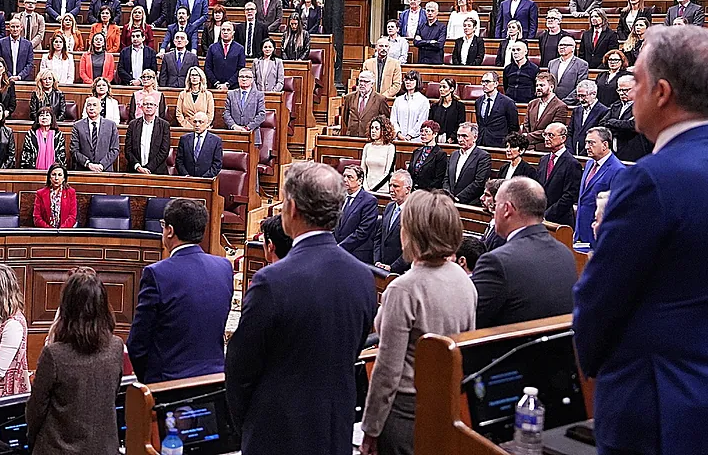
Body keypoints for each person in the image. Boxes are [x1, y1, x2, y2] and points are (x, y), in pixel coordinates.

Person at [574, 25, 708, 455]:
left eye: (638, 83)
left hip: (655, 412)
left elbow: (598, 303)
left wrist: (592, 370)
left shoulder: (649, 180)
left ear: (661, 93)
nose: (631, 95)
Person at [225, 161, 377, 455]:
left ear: (292, 208)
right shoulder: (362, 276)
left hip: (277, 433)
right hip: (335, 428)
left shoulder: (272, 280)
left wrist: (249, 425)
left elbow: (240, 369)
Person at [362, 190, 475, 455]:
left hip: (406, 411)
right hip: (447, 404)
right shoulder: (463, 278)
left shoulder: (404, 289)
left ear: (412, 234)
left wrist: (371, 427)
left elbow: (388, 370)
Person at [127, 197, 234, 382]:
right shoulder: (224, 267)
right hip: (215, 380)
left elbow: (138, 344)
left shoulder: (156, 274)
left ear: (170, 231)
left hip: (169, 385)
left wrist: (152, 382)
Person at [25, 267, 121, 454]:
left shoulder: (53, 355)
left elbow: (36, 410)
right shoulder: (116, 346)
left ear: (66, 307)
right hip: (104, 448)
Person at [471, 176, 576, 327]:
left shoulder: (497, 262)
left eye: (496, 205)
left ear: (507, 209)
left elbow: (470, 320)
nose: (493, 212)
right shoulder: (565, 253)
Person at [576, 127, 623, 246]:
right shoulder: (589, 163)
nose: (586, 147)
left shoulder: (618, 170)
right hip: (580, 232)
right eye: (586, 142)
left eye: (591, 143)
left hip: (598, 235)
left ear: (605, 145)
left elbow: (615, 208)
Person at [373, 170, 415, 275]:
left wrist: (392, 267)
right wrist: (377, 261)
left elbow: (412, 247)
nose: (391, 190)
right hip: (381, 268)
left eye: (396, 186)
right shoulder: (389, 207)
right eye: (390, 185)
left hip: (401, 272)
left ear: (407, 189)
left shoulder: (414, 212)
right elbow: (379, 237)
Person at [522, 71, 572, 149]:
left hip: (546, 148)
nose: (538, 88)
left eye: (542, 85)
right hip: (528, 146)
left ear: (551, 87)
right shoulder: (532, 103)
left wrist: (528, 137)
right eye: (537, 85)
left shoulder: (560, 106)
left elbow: (554, 131)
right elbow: (526, 125)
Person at [445, 122, 492, 203]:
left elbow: (479, 183)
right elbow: (446, 178)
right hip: (450, 202)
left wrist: (458, 198)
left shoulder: (483, 156)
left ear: (475, 137)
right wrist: (448, 196)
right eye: (458, 136)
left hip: (470, 203)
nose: (460, 139)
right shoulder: (454, 155)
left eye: (464, 136)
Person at [71, 96, 120, 172]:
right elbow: (74, 150)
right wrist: (88, 164)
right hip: (84, 170)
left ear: (100, 108)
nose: (91, 108)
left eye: (94, 105)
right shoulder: (77, 126)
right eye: (89, 105)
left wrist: (102, 165)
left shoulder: (111, 125)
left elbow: (115, 150)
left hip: (105, 170)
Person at [126, 96, 171, 174]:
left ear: (156, 107)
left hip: (157, 172)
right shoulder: (133, 125)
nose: (148, 106)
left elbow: (164, 151)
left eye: (151, 104)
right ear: (141, 107)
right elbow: (128, 149)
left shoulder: (164, 125)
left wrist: (148, 168)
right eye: (146, 104)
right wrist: (138, 167)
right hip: (135, 171)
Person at [343, 70, 390, 138]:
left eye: (366, 81)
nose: (362, 84)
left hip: (370, 137)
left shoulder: (380, 99)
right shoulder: (349, 97)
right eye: (360, 81)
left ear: (372, 84)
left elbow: (385, 120)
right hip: (352, 136)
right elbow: (345, 117)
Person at [176, 112, 224, 178]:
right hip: (187, 180)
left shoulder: (216, 141)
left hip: (207, 181)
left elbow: (217, 164)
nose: (197, 125)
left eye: (201, 122)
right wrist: (186, 175)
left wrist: (204, 178)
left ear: (207, 124)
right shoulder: (184, 139)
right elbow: (179, 161)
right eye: (195, 122)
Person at [569, 79, 609, 156]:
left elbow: (599, 136)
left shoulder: (603, 111)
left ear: (593, 94)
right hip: (573, 153)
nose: (581, 99)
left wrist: (583, 153)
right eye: (579, 96)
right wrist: (570, 151)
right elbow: (570, 132)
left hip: (590, 154)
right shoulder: (577, 110)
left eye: (583, 96)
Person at [406, 120, 448, 191]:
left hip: (429, 193)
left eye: (427, 131)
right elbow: (410, 172)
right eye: (421, 131)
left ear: (435, 134)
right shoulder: (416, 152)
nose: (423, 134)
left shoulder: (440, 154)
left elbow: (438, 179)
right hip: (413, 191)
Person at [391, 70, 430, 141]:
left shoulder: (423, 101)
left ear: (417, 82)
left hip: (415, 140)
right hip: (398, 139)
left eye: (411, 80)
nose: (408, 82)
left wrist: (410, 135)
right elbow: (393, 119)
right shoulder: (398, 100)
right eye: (406, 80)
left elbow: (422, 121)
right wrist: (399, 134)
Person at [548, 35, 589, 101]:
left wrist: (566, 101)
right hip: (552, 102)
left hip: (570, 103)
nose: (562, 47)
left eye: (565, 45)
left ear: (573, 48)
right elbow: (549, 84)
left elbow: (580, 87)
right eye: (560, 45)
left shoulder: (582, 64)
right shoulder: (552, 63)